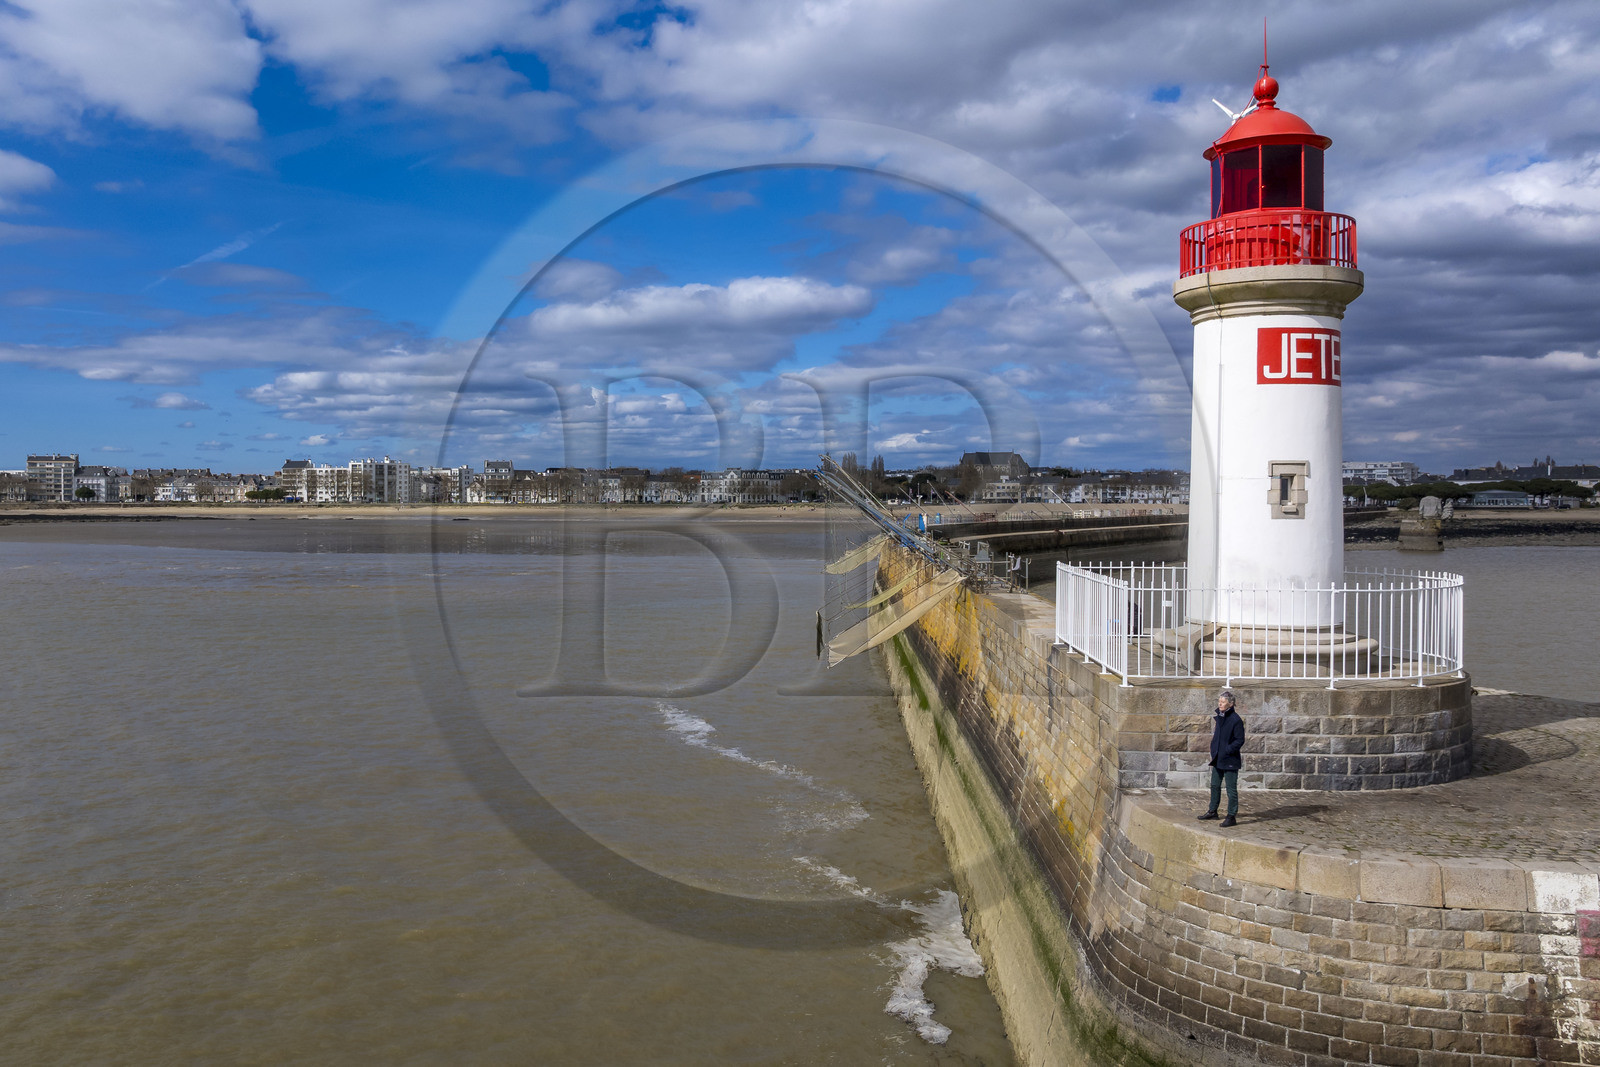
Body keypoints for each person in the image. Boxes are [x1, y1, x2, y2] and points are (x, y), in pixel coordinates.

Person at [1197, 689, 1245, 827]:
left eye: (1223, 702)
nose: (1220, 704)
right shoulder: (1220, 717)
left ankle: (1231, 816)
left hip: (1230, 759)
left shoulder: (1236, 720)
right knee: (1214, 785)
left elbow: (1239, 740)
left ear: (1231, 704)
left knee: (1231, 789)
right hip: (1218, 758)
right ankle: (1213, 811)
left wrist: (1227, 750)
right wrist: (1214, 749)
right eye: (1219, 701)